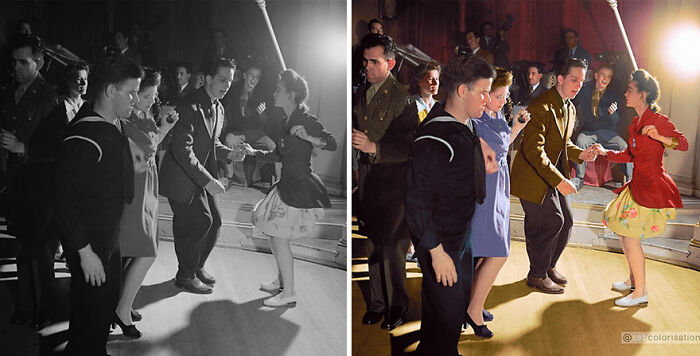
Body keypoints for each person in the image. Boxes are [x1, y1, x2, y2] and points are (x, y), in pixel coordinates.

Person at [405, 53, 498, 356]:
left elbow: (462, 137)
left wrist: (480, 147)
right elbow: (416, 201)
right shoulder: (434, 138)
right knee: (447, 315)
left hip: (460, 234)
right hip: (441, 242)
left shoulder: (461, 121)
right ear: (462, 91)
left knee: (445, 313)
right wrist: (436, 252)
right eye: (483, 91)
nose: (487, 99)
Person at [54, 55, 142, 356]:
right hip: (90, 244)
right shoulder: (83, 137)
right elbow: (63, 200)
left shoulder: (110, 121)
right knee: (91, 314)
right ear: (109, 91)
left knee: (97, 313)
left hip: (107, 237)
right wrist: (84, 252)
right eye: (130, 92)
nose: (135, 99)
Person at [597, 69, 688, 307]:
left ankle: (640, 293)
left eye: (630, 90)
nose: (626, 93)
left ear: (643, 95)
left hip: (651, 187)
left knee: (630, 237)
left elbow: (683, 143)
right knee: (624, 234)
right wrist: (606, 153)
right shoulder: (636, 123)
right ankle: (633, 280)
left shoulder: (658, 121)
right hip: (638, 184)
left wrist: (660, 137)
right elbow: (630, 155)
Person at [510, 58, 599, 294]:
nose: (578, 84)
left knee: (567, 221)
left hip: (550, 173)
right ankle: (536, 275)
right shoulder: (540, 105)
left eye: (581, 80)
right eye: (573, 79)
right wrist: (559, 181)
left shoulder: (568, 106)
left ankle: (548, 267)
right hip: (531, 175)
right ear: (560, 78)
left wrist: (582, 154)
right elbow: (533, 150)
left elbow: (564, 142)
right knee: (552, 220)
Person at [250, 69, 336, 307]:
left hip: (299, 186)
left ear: (292, 94)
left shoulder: (306, 120)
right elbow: (279, 154)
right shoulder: (284, 120)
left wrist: (309, 137)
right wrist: (253, 153)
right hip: (286, 183)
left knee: (279, 238)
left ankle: (289, 293)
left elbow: (332, 143)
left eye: (278, 90)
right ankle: (281, 282)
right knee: (274, 234)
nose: (274, 93)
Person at [352, 33, 419, 330]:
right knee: (372, 246)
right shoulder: (361, 93)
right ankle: (377, 304)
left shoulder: (402, 99)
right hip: (368, 183)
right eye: (365, 60)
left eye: (374, 61)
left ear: (390, 63)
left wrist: (373, 148)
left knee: (392, 249)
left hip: (394, 187)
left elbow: (409, 146)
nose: (367, 66)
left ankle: (397, 307)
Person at [159, 58, 235, 294]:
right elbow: (182, 150)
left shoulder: (218, 107)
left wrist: (231, 153)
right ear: (208, 78)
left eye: (230, 81)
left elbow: (212, 144)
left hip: (200, 175)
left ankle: (196, 266)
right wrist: (208, 181)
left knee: (215, 222)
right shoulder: (189, 105)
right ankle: (185, 275)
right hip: (182, 176)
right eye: (223, 79)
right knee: (199, 221)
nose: (227, 85)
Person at [0, 34, 59, 331]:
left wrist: (23, 149)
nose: (17, 67)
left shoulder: (50, 97)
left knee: (40, 252)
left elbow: (57, 148)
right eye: (14, 62)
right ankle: (25, 307)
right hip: (15, 185)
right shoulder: (8, 93)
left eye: (23, 62)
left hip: (42, 188)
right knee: (24, 249)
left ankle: (44, 309)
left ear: (39, 62)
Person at [114, 69, 179, 338]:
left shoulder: (144, 115)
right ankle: (121, 308)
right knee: (146, 251)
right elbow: (138, 154)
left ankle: (122, 303)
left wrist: (165, 127)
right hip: (135, 190)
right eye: (145, 95)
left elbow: (152, 147)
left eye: (154, 96)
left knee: (145, 249)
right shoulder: (125, 119)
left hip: (149, 187)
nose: (151, 101)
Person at [467, 67, 530, 338]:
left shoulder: (496, 116)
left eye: (505, 95)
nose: (503, 100)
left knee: (490, 251)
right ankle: (472, 308)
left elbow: (502, 148)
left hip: (500, 189)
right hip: (484, 191)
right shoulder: (475, 120)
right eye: (497, 95)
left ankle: (473, 304)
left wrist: (516, 127)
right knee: (496, 252)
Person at [571, 64, 631, 190]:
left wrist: (612, 114)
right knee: (580, 141)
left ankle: (630, 180)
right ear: (596, 75)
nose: (605, 79)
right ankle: (579, 179)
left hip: (607, 132)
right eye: (603, 75)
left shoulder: (613, 95)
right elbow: (572, 101)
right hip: (589, 131)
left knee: (623, 147)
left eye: (609, 77)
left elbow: (617, 120)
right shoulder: (585, 89)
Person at [221, 62, 275, 187]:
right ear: (245, 75)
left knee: (272, 146)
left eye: (257, 77)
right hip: (237, 130)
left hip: (255, 132)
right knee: (229, 141)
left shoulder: (262, 94)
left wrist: (261, 114)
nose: (253, 79)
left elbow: (265, 122)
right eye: (251, 75)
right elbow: (229, 113)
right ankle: (230, 177)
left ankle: (275, 180)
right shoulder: (234, 90)